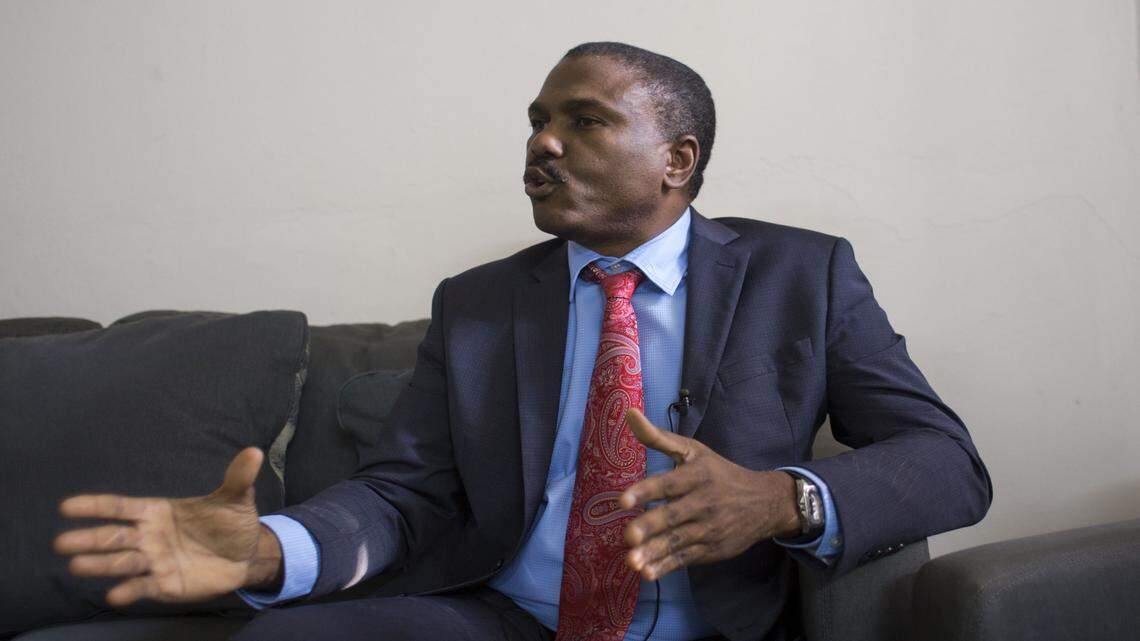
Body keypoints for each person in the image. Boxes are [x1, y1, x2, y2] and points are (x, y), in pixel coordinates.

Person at [53, 42, 991, 641]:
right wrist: (272, 550)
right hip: (506, 615)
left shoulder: (802, 274)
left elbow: (950, 463)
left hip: (713, 625)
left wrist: (778, 498)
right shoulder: (480, 303)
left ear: (678, 159)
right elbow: (404, 493)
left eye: (584, 120)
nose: (543, 143)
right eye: (538, 121)